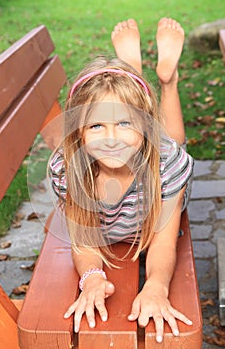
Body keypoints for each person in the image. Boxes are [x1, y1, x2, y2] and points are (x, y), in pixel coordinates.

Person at [49, 17, 194, 343]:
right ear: (79, 133)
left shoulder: (167, 166)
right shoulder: (67, 170)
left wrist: (156, 285)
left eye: (125, 124)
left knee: (172, 143)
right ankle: (133, 76)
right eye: (96, 127)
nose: (110, 139)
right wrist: (92, 278)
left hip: (158, 193)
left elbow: (161, 242)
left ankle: (165, 82)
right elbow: (84, 240)